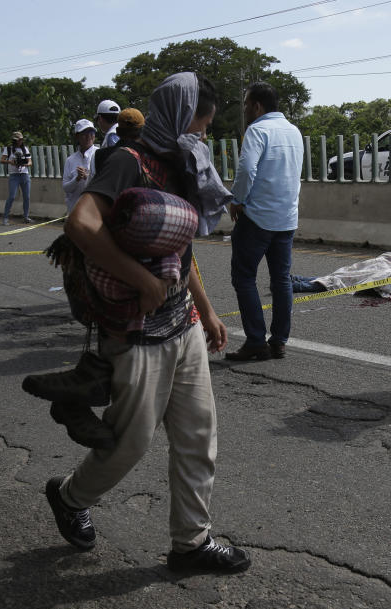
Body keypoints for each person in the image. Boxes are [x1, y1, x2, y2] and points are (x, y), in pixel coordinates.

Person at [48, 72, 250, 573]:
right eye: (200, 124)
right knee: (130, 442)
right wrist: (139, 278)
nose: (202, 135)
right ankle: (71, 497)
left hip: (181, 322)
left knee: (199, 435)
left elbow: (180, 249)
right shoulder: (126, 160)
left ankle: (191, 542)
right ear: (180, 116)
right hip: (134, 331)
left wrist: (205, 308)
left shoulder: (182, 165)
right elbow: (82, 225)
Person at [225, 82, 304, 361]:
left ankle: (256, 340)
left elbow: (247, 169)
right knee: (281, 280)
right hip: (286, 218)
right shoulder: (294, 131)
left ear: (257, 106)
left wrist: (238, 200)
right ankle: (279, 341)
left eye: (246, 104)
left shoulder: (257, 130)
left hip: (257, 217)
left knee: (244, 277)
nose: (245, 109)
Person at [61, 119, 97, 214]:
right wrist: (77, 179)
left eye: (91, 132)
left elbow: (105, 183)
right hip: (74, 211)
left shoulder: (99, 154)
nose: (88, 136)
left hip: (94, 211)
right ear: (77, 136)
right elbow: (66, 188)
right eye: (84, 133)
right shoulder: (70, 160)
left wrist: (88, 177)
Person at [0, 131, 32, 225]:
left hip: (24, 174)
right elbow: (1, 160)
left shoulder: (25, 149)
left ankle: (26, 216)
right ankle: (5, 217)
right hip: (14, 175)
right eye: (18, 140)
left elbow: (30, 162)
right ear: (14, 140)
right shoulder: (9, 149)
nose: (20, 141)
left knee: (27, 196)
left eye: (21, 139)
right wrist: (10, 162)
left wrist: (25, 164)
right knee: (12, 196)